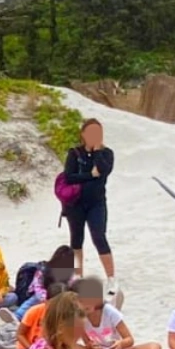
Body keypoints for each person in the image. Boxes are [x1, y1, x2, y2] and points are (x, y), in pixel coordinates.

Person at [61, 119, 120, 300]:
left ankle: (111, 277)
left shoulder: (107, 153)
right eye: (91, 132)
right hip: (75, 204)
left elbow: (103, 171)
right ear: (83, 134)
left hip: (97, 203)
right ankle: (78, 276)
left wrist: (96, 152)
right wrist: (90, 175)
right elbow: (69, 177)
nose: (95, 136)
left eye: (98, 132)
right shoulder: (74, 153)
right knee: (76, 240)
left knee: (99, 237)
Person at [72, 277, 163, 349]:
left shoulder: (110, 312)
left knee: (154, 346)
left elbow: (129, 339)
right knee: (67, 346)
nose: (83, 305)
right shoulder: (79, 317)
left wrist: (121, 344)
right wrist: (91, 346)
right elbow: (87, 344)